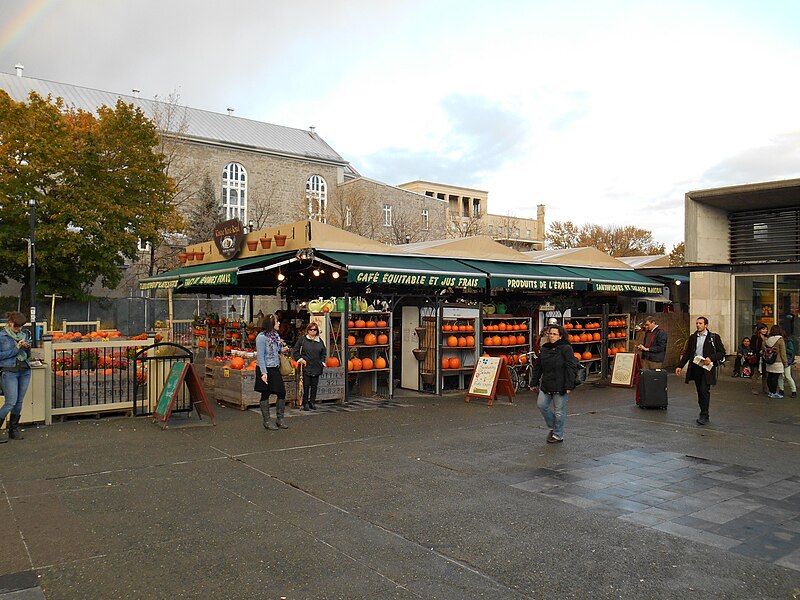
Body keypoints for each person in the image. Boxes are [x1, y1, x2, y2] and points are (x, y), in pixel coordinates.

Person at [530, 324, 578, 444]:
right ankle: (554, 427)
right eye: (550, 334)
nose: (551, 336)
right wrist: (534, 382)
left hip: (561, 384)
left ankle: (558, 435)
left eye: (554, 334)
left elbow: (571, 367)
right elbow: (538, 367)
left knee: (559, 411)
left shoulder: (566, 348)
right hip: (546, 384)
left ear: (561, 336)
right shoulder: (545, 348)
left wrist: (569, 385)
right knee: (541, 405)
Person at [676, 316, 726, 426]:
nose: (698, 325)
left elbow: (722, 352)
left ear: (706, 325)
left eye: (700, 323)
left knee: (704, 390)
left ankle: (704, 414)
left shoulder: (713, 337)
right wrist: (680, 366)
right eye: (697, 323)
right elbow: (688, 353)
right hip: (696, 367)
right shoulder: (693, 337)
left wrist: (711, 358)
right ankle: (704, 412)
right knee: (699, 391)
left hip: (707, 368)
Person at [0, 311, 32, 443]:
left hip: (24, 369)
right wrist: (16, 348)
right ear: (10, 323)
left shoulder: (24, 335)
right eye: (17, 326)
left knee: (19, 402)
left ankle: (13, 429)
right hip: (9, 371)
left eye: (21, 327)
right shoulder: (2, 336)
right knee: (10, 402)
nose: (19, 329)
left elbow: (27, 355)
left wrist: (27, 348)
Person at [255, 314, 289, 430]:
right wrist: (264, 373)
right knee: (266, 393)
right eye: (276, 321)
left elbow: (275, 350)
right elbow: (260, 356)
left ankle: (280, 419)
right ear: (271, 324)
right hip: (265, 368)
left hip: (274, 367)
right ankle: (267, 421)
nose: (279, 323)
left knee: (281, 392)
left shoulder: (275, 336)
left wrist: (282, 349)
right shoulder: (261, 337)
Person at [293, 322, 327, 411]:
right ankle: (305, 402)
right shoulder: (303, 340)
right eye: (311, 329)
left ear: (317, 331)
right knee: (306, 385)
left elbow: (324, 353)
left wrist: (322, 362)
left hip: (317, 366)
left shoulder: (320, 341)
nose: (312, 331)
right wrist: (300, 359)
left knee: (314, 385)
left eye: (314, 330)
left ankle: (312, 401)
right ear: (308, 330)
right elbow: (295, 351)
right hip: (306, 366)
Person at [764, 325, 787, 399]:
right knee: (775, 378)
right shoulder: (780, 340)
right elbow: (783, 352)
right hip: (778, 361)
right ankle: (774, 392)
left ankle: (770, 392)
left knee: (770, 376)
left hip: (769, 360)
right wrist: (785, 362)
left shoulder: (768, 339)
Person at [750, 324, 769, 395]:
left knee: (765, 373)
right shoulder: (755, 337)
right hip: (758, 357)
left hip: (765, 357)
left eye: (766, 329)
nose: (765, 331)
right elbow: (752, 346)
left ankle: (765, 388)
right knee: (757, 373)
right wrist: (758, 351)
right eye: (763, 329)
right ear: (759, 330)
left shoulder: (766, 337)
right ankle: (753, 388)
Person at [778, 329, 797, 398]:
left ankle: (794, 390)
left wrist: (783, 349)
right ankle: (781, 390)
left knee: (787, 376)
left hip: (787, 360)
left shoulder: (788, 341)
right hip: (780, 360)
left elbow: (791, 351)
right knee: (780, 376)